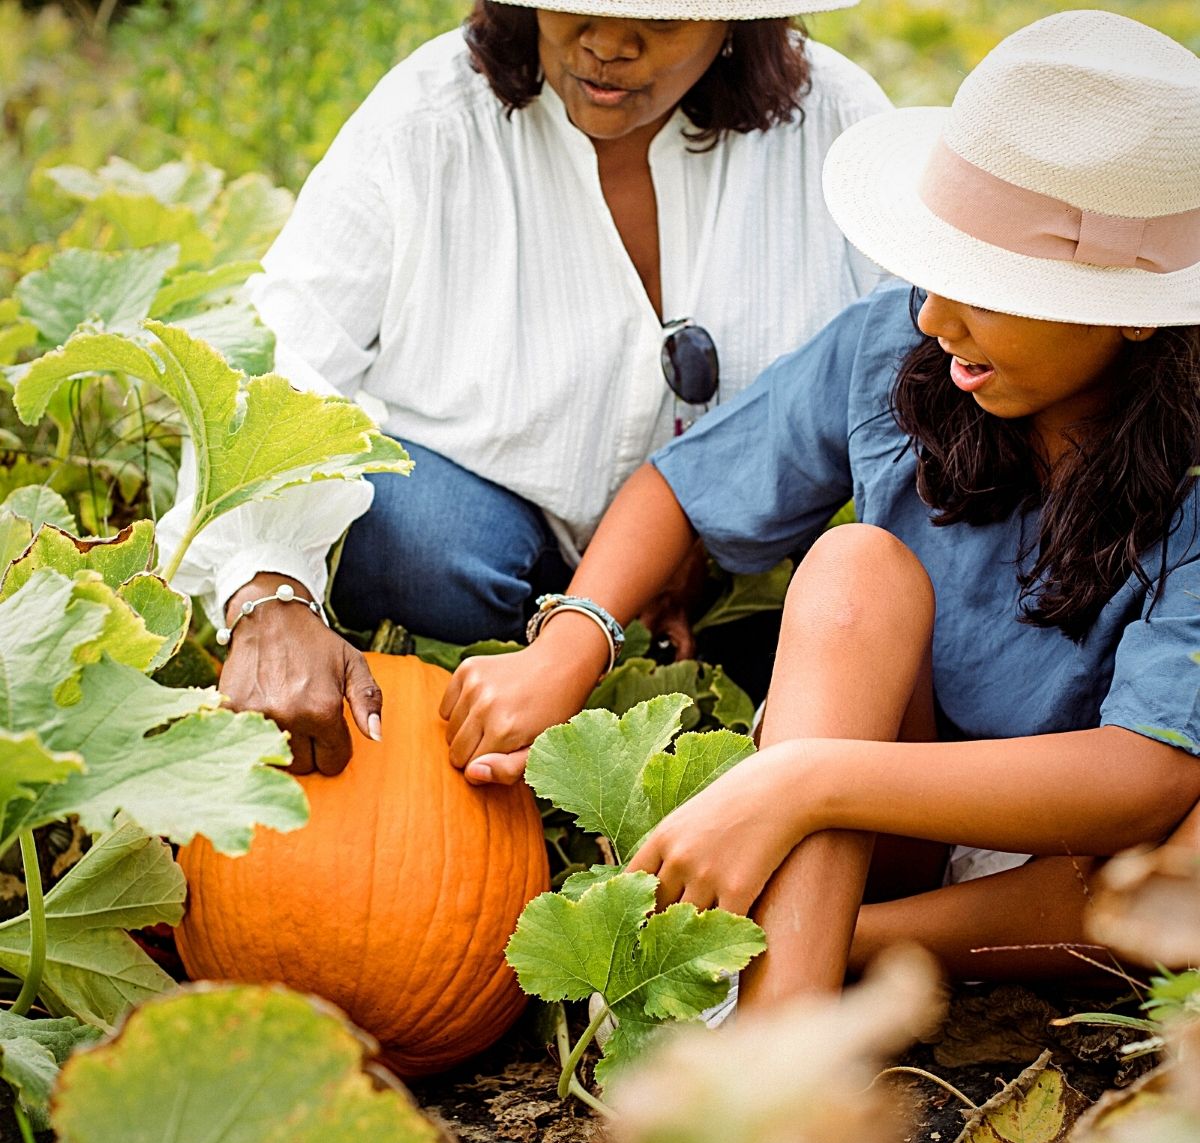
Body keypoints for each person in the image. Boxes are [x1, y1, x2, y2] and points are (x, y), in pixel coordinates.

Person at [443, 8, 1200, 999]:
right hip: (890, 819)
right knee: (853, 567)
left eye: (988, 287)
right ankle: (778, 1041)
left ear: (1136, 316)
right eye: (936, 267)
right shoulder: (901, 347)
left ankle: (840, 944)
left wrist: (802, 779)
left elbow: (1146, 777)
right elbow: (682, 484)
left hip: (1099, 871)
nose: (935, 315)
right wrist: (572, 638)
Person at [155, 0, 889, 775]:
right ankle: (523, 669)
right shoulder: (428, 118)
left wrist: (708, 524)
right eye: (572, 5)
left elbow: (912, 364)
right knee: (408, 537)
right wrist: (267, 591)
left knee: (831, 603)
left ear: (738, 21)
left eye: (664, 22)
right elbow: (288, 349)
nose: (608, 43)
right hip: (486, 543)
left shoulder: (834, 127)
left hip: (732, 567)